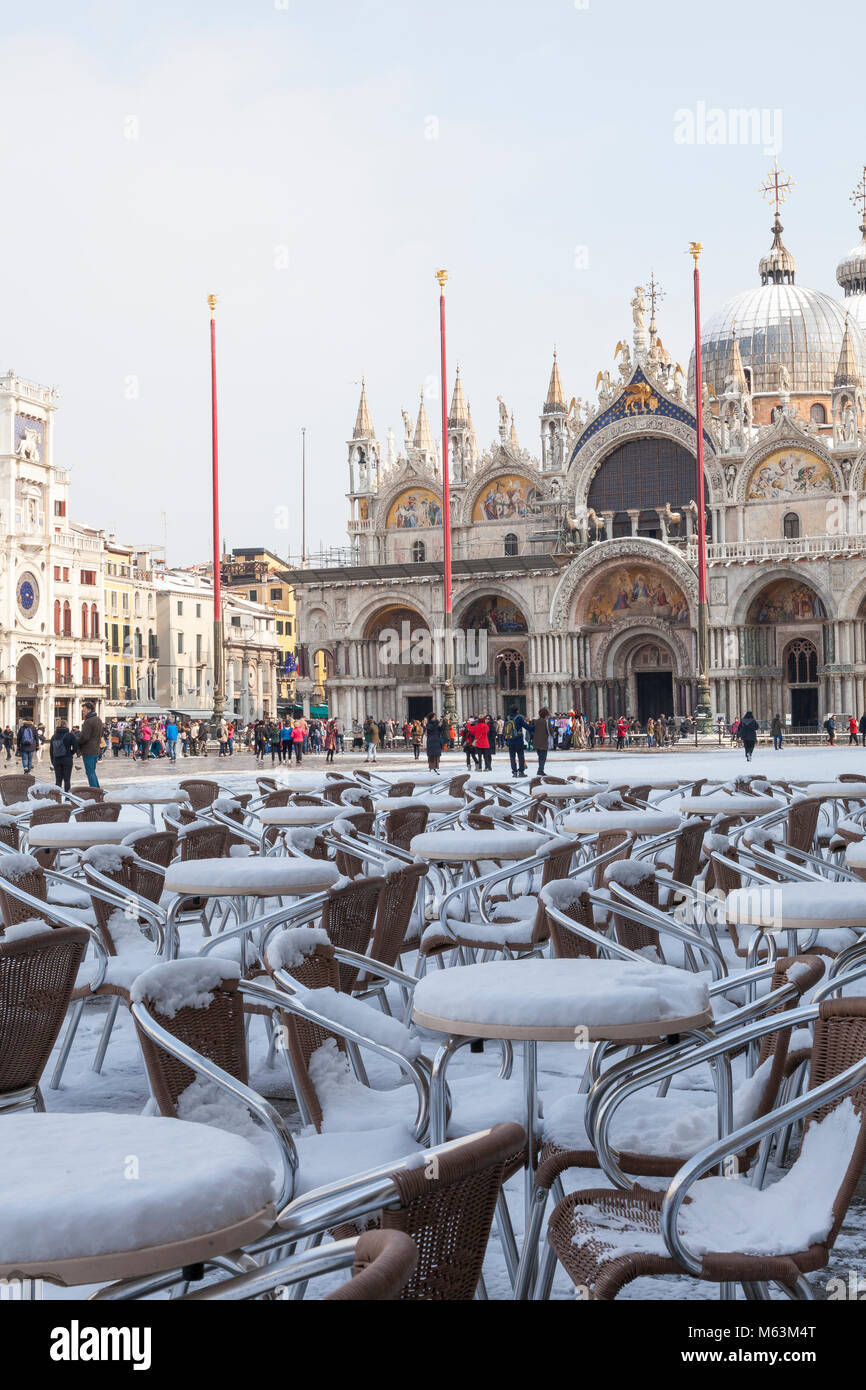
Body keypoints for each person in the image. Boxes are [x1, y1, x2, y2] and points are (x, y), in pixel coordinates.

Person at [78, 700, 105, 787]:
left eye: (84, 710)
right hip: (96, 749)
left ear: (89, 710)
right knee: (92, 772)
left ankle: (94, 791)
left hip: (88, 750)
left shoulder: (88, 721)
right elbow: (101, 734)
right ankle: (97, 789)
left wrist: (77, 741)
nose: (83, 712)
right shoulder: (98, 720)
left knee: (90, 772)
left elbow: (85, 737)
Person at [49, 719, 78, 792]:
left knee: (58, 780)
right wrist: (70, 753)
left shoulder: (54, 736)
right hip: (67, 759)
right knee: (67, 780)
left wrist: (53, 761)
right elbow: (76, 747)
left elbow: (51, 750)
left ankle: (58, 796)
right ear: (65, 725)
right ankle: (67, 797)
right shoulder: (70, 735)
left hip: (57, 760)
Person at [504, 707, 530, 778]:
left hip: (510, 740)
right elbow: (526, 726)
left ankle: (514, 772)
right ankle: (521, 772)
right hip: (518, 740)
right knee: (521, 756)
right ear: (517, 710)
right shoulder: (519, 717)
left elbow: (504, 729)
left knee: (512, 757)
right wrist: (533, 728)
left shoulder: (507, 718)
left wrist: (506, 740)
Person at [532, 706, 550, 776]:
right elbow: (551, 731)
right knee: (543, 757)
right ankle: (540, 770)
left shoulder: (535, 721)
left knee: (540, 757)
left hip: (536, 743)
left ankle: (540, 770)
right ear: (546, 715)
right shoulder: (546, 722)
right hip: (544, 743)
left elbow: (532, 730)